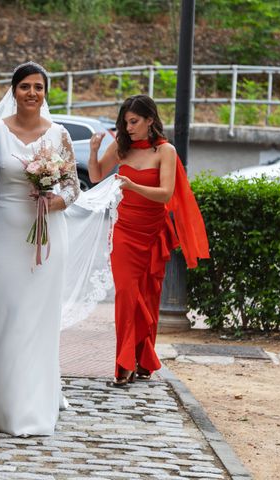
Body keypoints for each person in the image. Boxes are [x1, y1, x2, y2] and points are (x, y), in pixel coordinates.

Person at [0, 61, 81, 436]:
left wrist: (58, 200)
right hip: (2, 231)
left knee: (35, 316)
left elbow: (73, 185)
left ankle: (29, 398)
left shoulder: (59, 135)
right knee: (4, 311)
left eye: (39, 87)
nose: (32, 93)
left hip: (47, 235)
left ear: (45, 93)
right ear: (14, 90)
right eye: (25, 86)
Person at [88, 94, 209, 386]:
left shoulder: (164, 151)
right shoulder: (121, 147)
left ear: (150, 120)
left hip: (153, 232)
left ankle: (143, 359)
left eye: (134, 122)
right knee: (127, 296)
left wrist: (132, 185)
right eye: (125, 122)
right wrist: (94, 151)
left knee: (148, 298)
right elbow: (95, 176)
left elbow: (166, 193)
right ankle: (124, 363)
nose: (128, 128)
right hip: (124, 232)